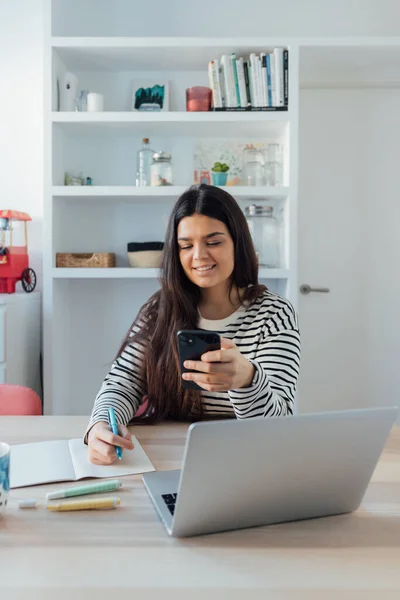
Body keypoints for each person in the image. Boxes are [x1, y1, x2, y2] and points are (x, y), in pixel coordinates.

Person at [86, 184, 301, 465]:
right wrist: (100, 426)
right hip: (172, 459)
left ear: (239, 243)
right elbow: (122, 383)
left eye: (213, 242)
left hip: (250, 461)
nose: (198, 256)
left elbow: (278, 425)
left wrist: (248, 379)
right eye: (186, 245)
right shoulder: (159, 310)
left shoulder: (274, 314)